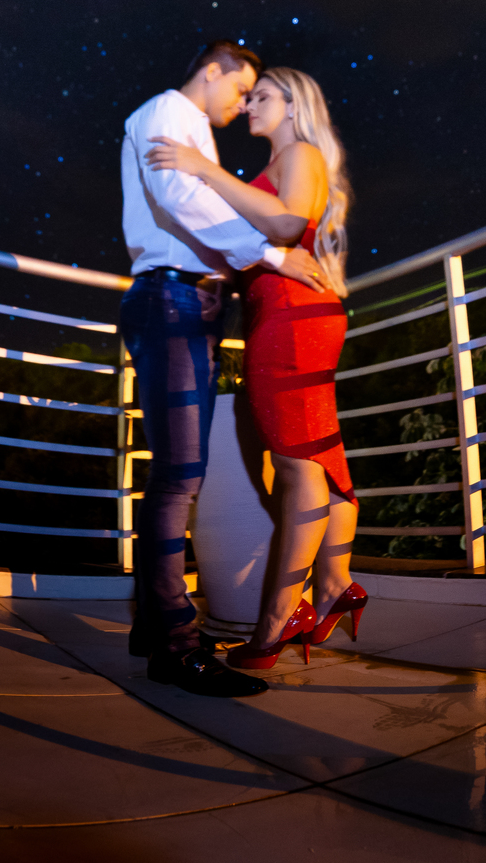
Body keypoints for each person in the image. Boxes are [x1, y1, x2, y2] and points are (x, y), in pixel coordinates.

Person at [118, 40, 323, 698]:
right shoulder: (167, 113)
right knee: (179, 477)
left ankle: (155, 625)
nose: (241, 105)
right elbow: (180, 197)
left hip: (190, 303)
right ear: (214, 70)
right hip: (172, 299)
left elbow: (203, 204)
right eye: (240, 89)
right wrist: (273, 255)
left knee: (178, 476)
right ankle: (175, 648)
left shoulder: (192, 128)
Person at [146, 66, 366, 672]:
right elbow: (252, 244)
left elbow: (288, 223)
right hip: (285, 315)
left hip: (293, 319)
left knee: (297, 467)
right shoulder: (284, 161)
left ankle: (276, 623)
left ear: (294, 105)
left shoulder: (301, 154)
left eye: (262, 96)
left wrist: (203, 168)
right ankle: (333, 585)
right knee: (318, 457)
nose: (249, 106)